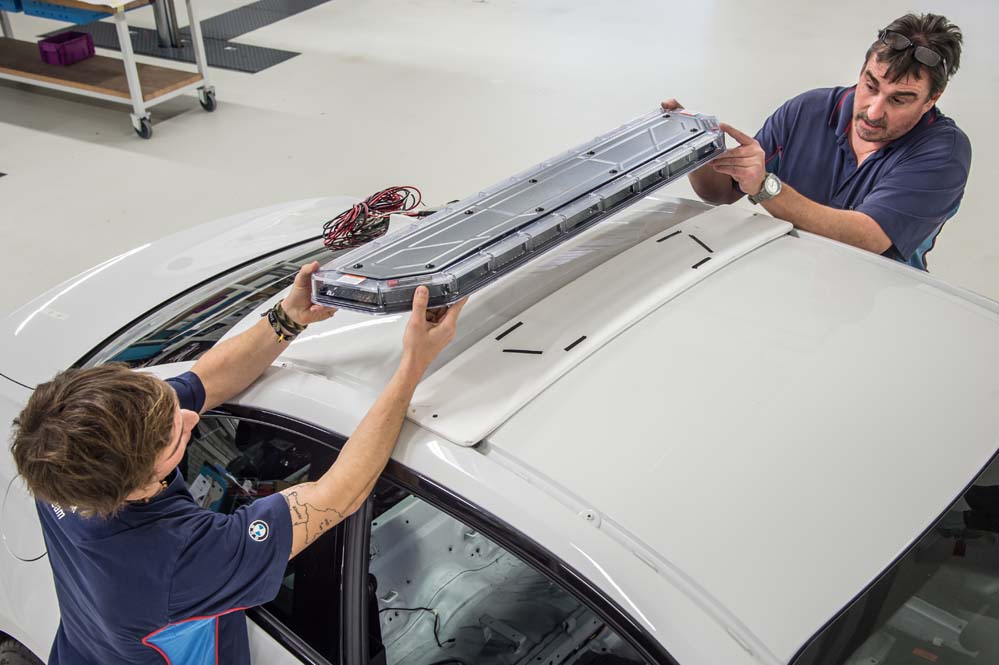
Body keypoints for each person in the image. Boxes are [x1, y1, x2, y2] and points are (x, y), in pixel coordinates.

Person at [9, 261, 466, 664]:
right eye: (175, 438)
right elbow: (340, 494)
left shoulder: (60, 459)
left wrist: (288, 317)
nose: (191, 417)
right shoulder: (180, 560)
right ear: (139, 483)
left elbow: (205, 381)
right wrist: (413, 366)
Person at [665, 12, 970, 270]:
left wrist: (764, 187)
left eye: (899, 100)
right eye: (870, 86)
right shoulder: (808, 111)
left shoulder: (943, 152)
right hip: (790, 279)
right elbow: (721, 193)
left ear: (932, 99)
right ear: (862, 70)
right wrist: (693, 149)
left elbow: (868, 237)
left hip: (877, 301)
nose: (874, 111)